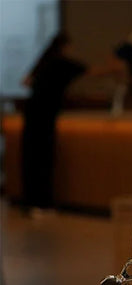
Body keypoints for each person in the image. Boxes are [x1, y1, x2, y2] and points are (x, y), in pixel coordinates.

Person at [21, 33, 87, 214]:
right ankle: (40, 203)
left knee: (33, 159)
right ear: (65, 46)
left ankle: (33, 202)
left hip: (33, 115)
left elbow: (25, 81)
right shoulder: (61, 63)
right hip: (44, 117)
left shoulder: (45, 61)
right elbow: (91, 71)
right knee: (42, 159)